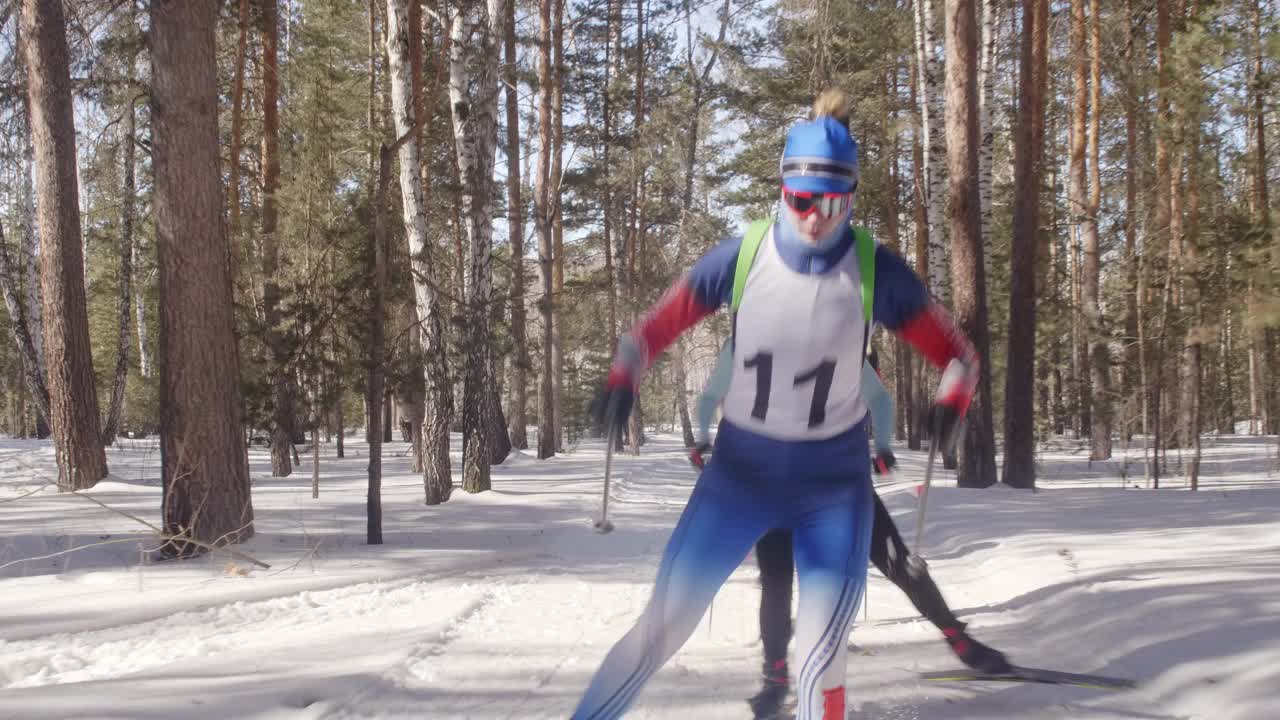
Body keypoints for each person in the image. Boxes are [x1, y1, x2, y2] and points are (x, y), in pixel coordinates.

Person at [574, 89, 980, 720]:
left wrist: (954, 397)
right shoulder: (742, 257)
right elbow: (652, 329)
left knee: (820, 666)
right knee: (658, 630)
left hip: (833, 495)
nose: (814, 218)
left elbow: (960, 353)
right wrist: (624, 373)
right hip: (738, 478)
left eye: (831, 203)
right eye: (799, 200)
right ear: (782, 189)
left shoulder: (876, 272)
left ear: (850, 197)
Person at [692, 340, 1011, 719]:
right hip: (770, 481)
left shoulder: (833, 336)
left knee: (898, 562)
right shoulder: (745, 339)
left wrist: (884, 446)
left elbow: (878, 398)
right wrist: (703, 438)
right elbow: (710, 396)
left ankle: (960, 640)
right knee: (776, 579)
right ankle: (775, 676)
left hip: (837, 481)